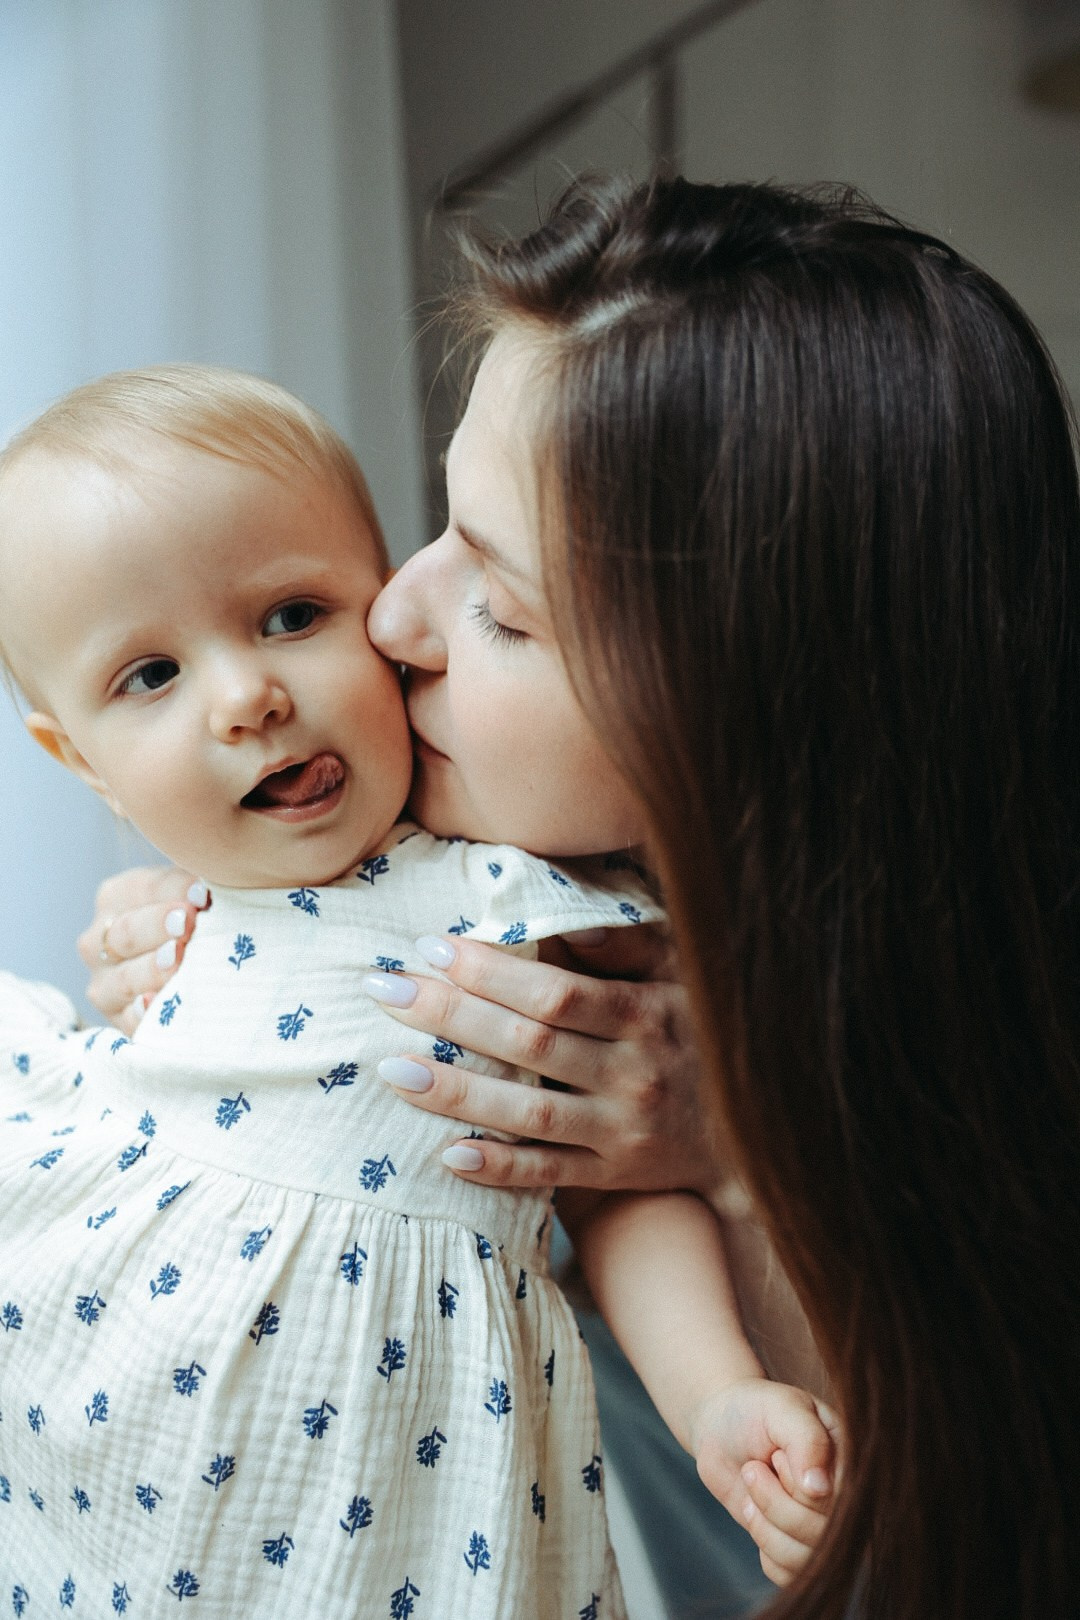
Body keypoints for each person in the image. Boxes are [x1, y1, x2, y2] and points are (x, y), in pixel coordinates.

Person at [90, 175, 1080, 1620]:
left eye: (502, 607)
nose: (391, 617)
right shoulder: (429, 884)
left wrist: (738, 1144)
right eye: (441, 526)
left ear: (752, 708)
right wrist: (189, 963)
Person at [0, 363, 839, 1618]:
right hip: (113, 1417)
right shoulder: (173, 908)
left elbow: (621, 1178)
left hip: (387, 1476)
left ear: (376, 606)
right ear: (86, 765)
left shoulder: (510, 891)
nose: (248, 698)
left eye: (292, 614)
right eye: (150, 678)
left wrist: (714, 1389)